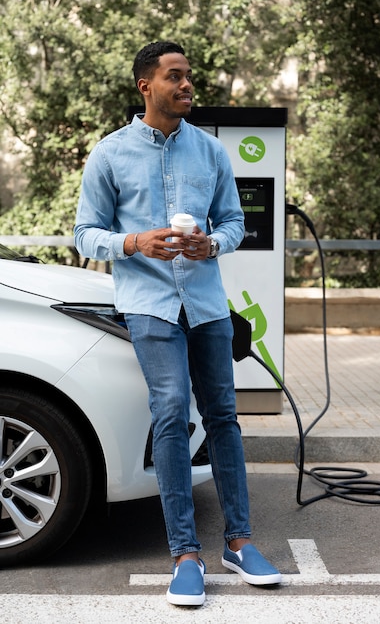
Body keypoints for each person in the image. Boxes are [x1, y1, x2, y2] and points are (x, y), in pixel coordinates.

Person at [74, 40, 281, 607]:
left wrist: (210, 243)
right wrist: (135, 241)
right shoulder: (110, 154)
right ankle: (184, 554)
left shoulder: (211, 152)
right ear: (147, 86)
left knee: (224, 417)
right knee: (169, 412)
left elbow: (236, 221)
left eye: (189, 75)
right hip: (150, 305)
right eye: (176, 76)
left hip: (208, 306)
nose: (188, 85)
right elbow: (85, 232)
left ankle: (239, 543)